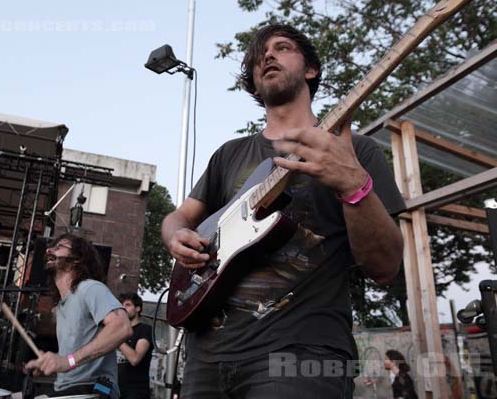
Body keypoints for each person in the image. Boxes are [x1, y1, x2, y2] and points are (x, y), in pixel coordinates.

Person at [161, 24, 405, 398]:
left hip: (301, 357)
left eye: (282, 48)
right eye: (259, 57)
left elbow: (385, 267)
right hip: (205, 358)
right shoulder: (229, 153)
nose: (268, 57)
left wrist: (354, 186)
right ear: (254, 85)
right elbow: (179, 218)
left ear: (311, 69)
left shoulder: (356, 151)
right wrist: (175, 236)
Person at [24, 233, 132, 398]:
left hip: (92, 388)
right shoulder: (61, 306)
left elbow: (122, 328)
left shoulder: (90, 288)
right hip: (64, 390)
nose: (48, 250)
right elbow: (71, 357)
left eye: (59, 247)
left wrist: (68, 361)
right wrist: (51, 363)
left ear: (76, 259)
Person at [117, 293, 153, 399]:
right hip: (115, 389)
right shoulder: (118, 332)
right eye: (122, 305)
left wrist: (116, 339)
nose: (123, 308)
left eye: (127, 305)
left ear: (138, 308)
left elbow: (135, 358)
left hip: (136, 391)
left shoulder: (145, 329)